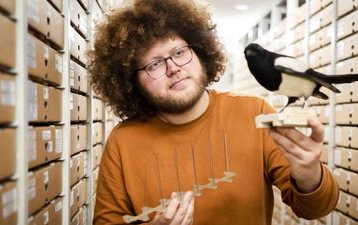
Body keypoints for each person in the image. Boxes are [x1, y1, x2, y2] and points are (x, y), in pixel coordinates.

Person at [89, 0, 340, 224]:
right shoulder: (123, 141)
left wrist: (311, 176)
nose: (173, 68)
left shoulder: (256, 112)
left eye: (179, 52)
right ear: (131, 81)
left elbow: (315, 208)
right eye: (154, 64)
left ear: (199, 52)